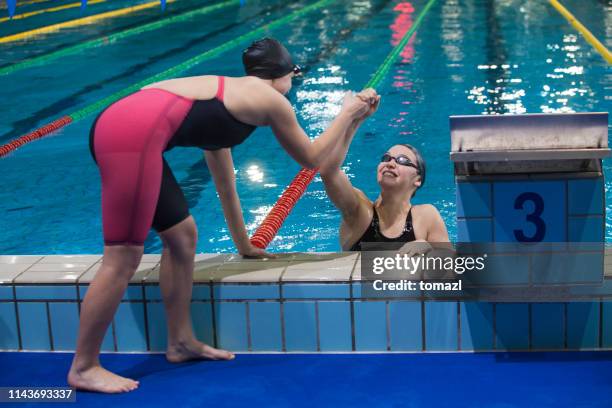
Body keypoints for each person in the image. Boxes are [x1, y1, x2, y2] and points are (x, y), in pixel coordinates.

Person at [68, 38, 376, 394]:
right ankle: (84, 366)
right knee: (122, 258)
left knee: (182, 238)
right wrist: (348, 113)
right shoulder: (269, 98)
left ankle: (180, 341)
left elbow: (225, 183)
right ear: (283, 75)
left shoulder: (226, 100)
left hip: (126, 127)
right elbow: (312, 160)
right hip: (129, 134)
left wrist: (244, 245)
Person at [319, 100, 449, 251]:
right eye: (386, 158)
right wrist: (352, 120)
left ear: (418, 180)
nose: (391, 163)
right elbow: (328, 171)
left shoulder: (426, 217)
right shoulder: (360, 212)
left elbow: (451, 267)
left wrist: (428, 248)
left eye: (402, 160)